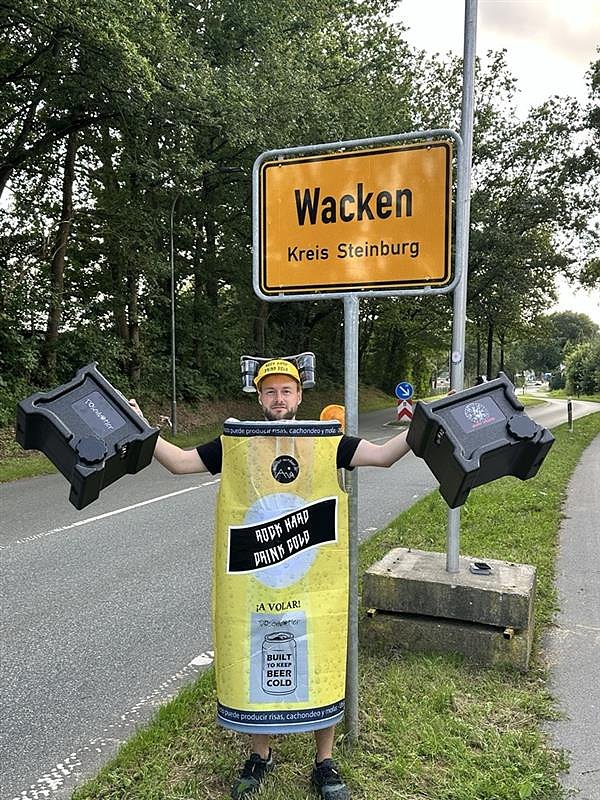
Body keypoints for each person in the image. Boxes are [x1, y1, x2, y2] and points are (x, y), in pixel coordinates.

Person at [130, 358, 412, 800]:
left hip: (314, 585)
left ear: (299, 396)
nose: (279, 399)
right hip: (254, 586)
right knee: (255, 663)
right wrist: (141, 430)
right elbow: (180, 463)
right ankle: (260, 756)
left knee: (321, 664)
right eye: (270, 392)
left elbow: (384, 456)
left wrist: (425, 422)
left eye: (286, 391)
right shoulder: (237, 443)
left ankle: (324, 762)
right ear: (259, 398)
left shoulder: (326, 441)